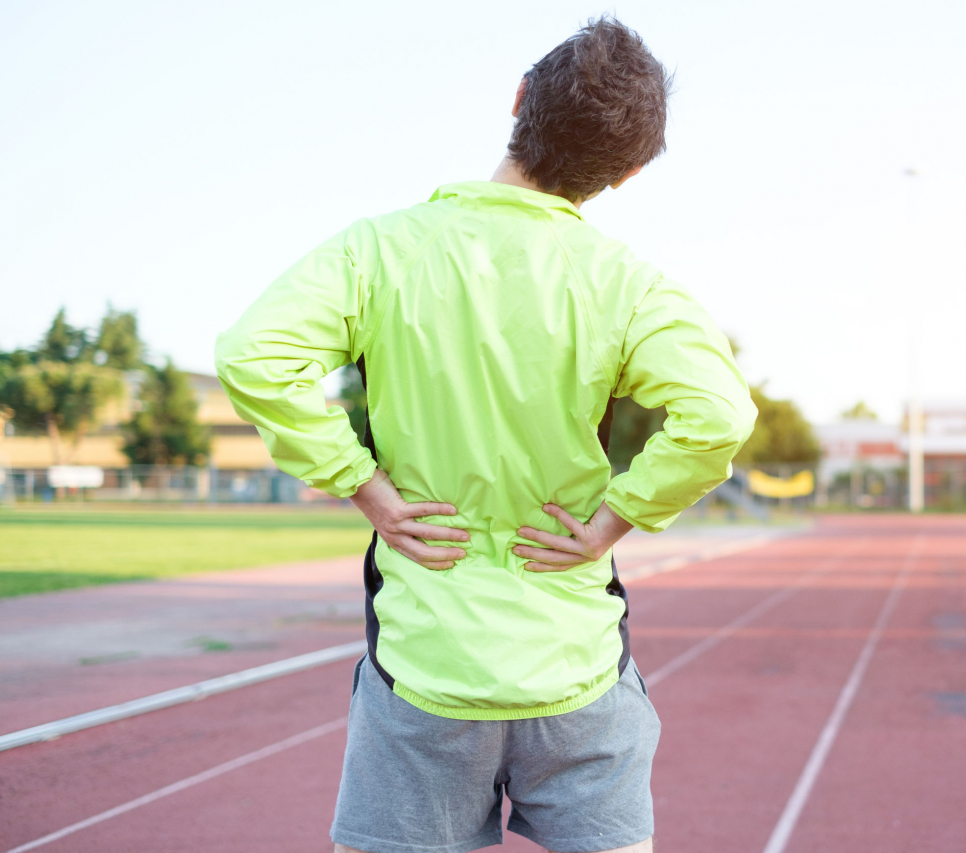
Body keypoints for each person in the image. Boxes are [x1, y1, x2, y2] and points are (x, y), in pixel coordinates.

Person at [215, 16, 755, 853]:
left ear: (518, 99)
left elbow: (255, 355)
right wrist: (618, 518)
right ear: (630, 171)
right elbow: (718, 415)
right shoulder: (631, 284)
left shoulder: (382, 249)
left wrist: (365, 484)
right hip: (575, 667)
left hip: (427, 666)